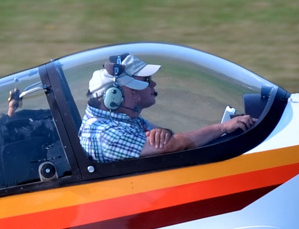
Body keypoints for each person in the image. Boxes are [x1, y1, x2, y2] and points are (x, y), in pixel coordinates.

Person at [78, 54, 256, 162]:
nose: (153, 84)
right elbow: (172, 146)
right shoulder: (103, 133)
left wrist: (164, 133)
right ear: (119, 94)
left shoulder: (126, 119)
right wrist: (223, 127)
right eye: (146, 80)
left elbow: (166, 139)